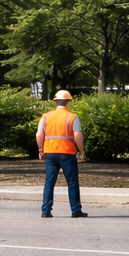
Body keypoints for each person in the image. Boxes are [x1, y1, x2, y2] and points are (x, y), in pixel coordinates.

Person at [36, 89, 87, 218]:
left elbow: (39, 134)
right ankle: (76, 210)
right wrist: (82, 152)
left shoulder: (46, 116)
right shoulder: (72, 117)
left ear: (56, 101)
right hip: (67, 153)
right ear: (68, 102)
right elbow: (77, 135)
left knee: (49, 181)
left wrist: (41, 150)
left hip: (50, 153)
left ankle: (46, 210)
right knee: (72, 182)